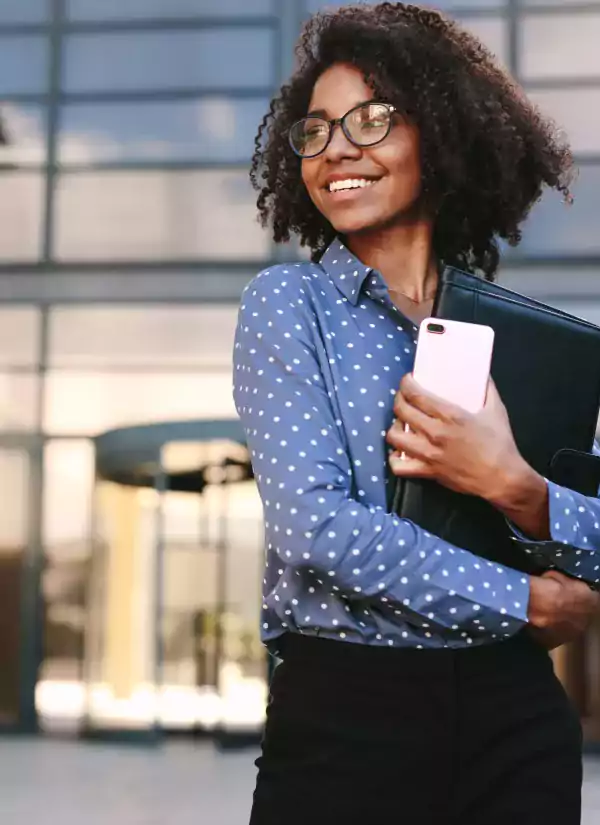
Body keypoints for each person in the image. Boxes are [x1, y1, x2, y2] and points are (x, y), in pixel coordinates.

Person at [232, 4, 600, 824]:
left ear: (438, 134)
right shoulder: (289, 307)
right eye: (316, 130)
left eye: (372, 119)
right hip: (349, 716)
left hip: (519, 723)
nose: (337, 150)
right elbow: (315, 529)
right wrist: (528, 601)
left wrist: (515, 486)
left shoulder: (517, 339)